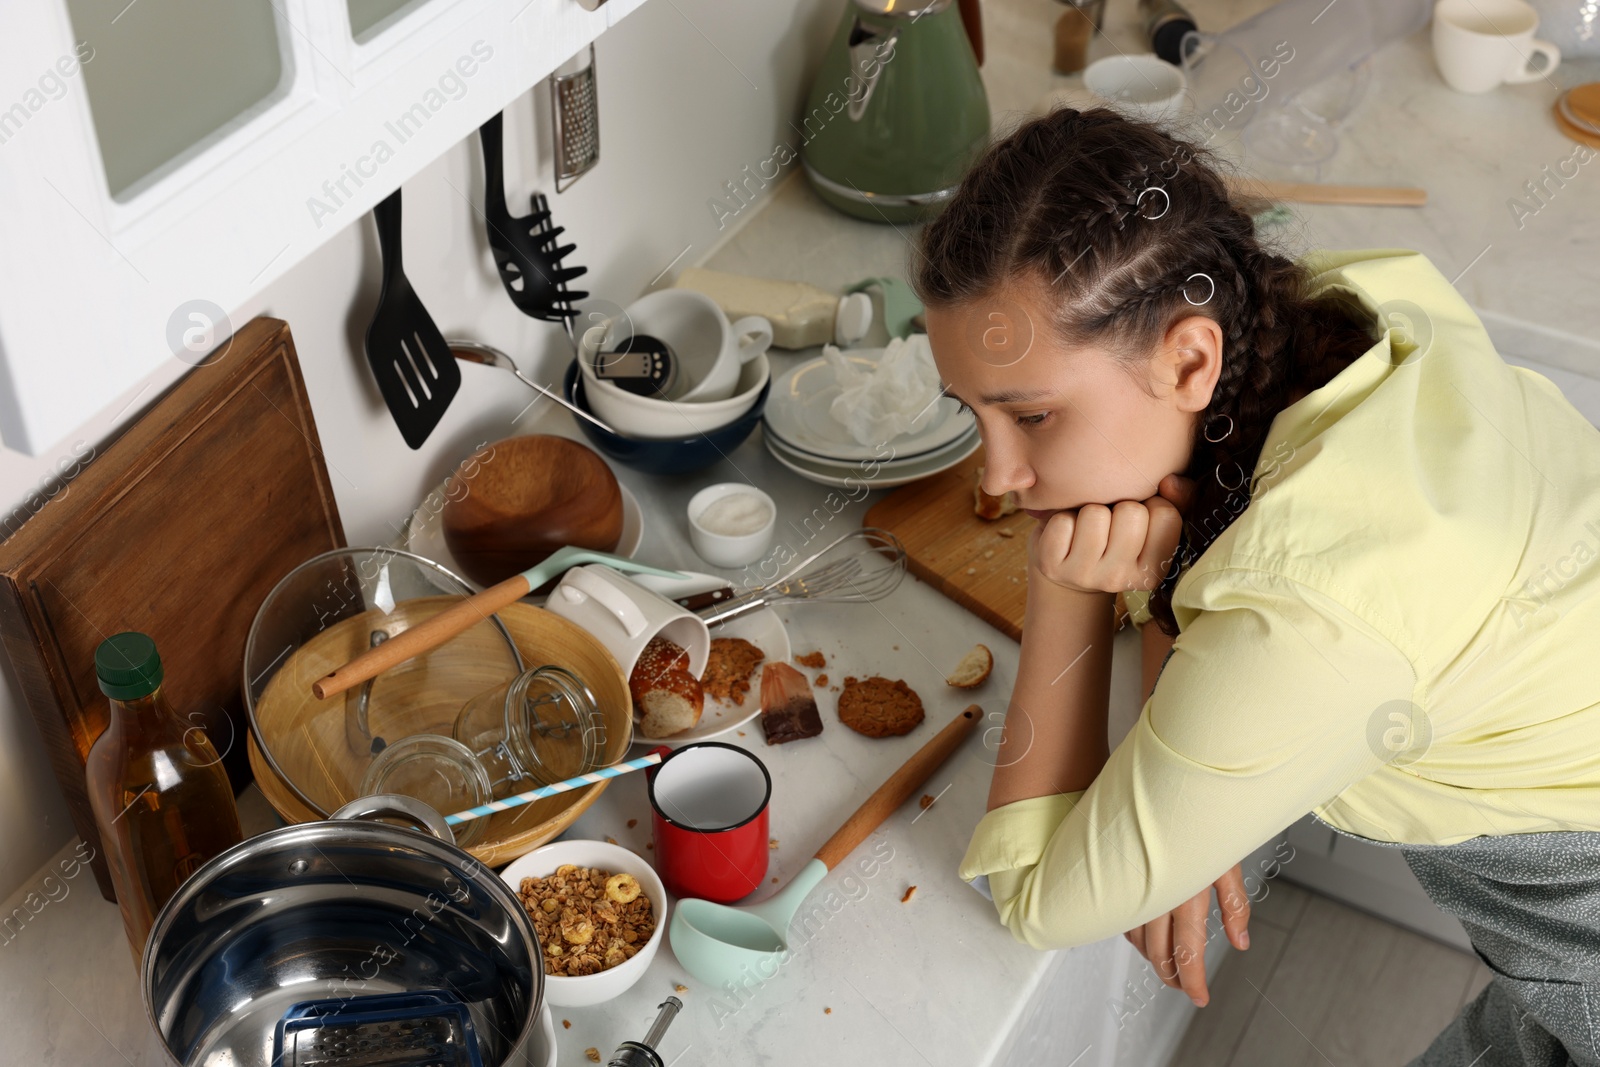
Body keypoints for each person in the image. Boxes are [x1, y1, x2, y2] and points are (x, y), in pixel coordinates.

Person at [917, 106, 1600, 1065]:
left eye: (1030, 415)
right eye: (974, 411)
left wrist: (1064, 589)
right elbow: (1220, 537)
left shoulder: (1314, 607)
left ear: (1191, 358)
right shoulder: (1337, 311)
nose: (995, 474)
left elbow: (1034, 899)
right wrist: (1192, 787)